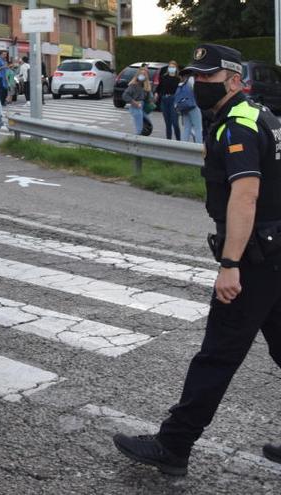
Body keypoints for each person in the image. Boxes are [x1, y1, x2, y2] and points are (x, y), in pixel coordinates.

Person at [113, 43, 281, 475]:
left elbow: (245, 197)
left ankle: (174, 445)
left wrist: (230, 264)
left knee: (217, 355)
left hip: (255, 259)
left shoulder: (238, 125)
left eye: (208, 77)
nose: (198, 83)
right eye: (196, 76)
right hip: (275, 250)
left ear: (235, 80)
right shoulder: (258, 115)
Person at [155, 61, 182, 140]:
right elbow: (159, 88)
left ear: (176, 68)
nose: (171, 69)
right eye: (170, 67)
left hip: (174, 100)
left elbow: (181, 91)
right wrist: (156, 93)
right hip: (164, 100)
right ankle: (168, 141)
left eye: (173, 67)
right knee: (168, 124)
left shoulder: (178, 79)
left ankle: (178, 140)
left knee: (175, 123)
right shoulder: (164, 77)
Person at [122, 67, 153, 135]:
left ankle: (140, 138)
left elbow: (148, 99)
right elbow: (125, 95)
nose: (142, 75)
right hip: (135, 107)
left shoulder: (146, 86)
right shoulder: (133, 85)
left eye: (144, 74)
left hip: (142, 107)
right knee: (139, 128)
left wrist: (151, 100)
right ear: (137, 75)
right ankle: (136, 140)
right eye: (141, 74)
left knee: (148, 123)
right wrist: (134, 102)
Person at [176, 75, 203, 144]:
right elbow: (197, 92)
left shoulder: (182, 82)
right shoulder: (192, 80)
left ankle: (183, 146)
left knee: (186, 128)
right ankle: (199, 146)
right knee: (198, 128)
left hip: (184, 106)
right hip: (193, 105)